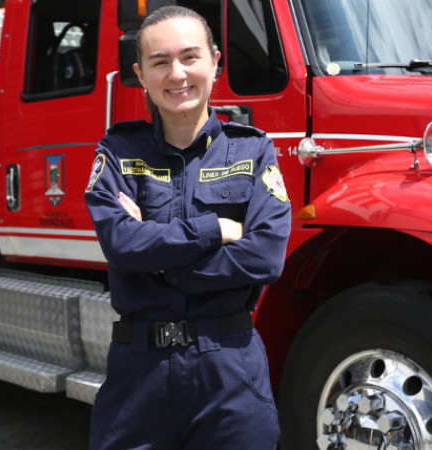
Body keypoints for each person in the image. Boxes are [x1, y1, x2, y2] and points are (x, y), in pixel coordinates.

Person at [84, 5, 292, 449]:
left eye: (190, 57)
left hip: (229, 370)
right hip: (138, 375)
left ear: (215, 62)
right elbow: (120, 243)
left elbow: (265, 258)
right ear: (140, 75)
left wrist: (157, 261)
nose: (177, 74)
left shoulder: (253, 151)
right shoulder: (118, 151)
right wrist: (214, 230)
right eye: (160, 62)